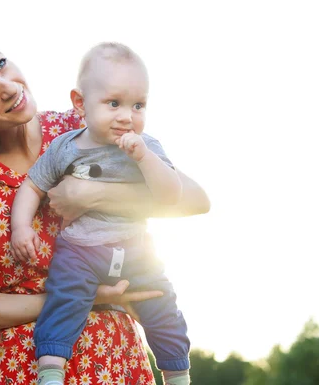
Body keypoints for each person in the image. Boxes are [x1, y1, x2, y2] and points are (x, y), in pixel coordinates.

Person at [0, 29, 210, 385]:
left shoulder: (82, 127)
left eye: (1, 64)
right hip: (23, 370)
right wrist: (80, 297)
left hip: (116, 362)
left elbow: (196, 199)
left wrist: (92, 195)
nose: (9, 87)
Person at [11, 42, 191, 385]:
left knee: (162, 303)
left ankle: (177, 372)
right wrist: (21, 227)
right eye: (114, 103)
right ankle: (51, 371)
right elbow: (32, 185)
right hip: (80, 249)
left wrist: (144, 159)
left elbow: (171, 195)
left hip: (136, 246)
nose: (127, 115)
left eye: (138, 105)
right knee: (63, 300)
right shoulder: (65, 146)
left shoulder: (147, 146)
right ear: (80, 104)